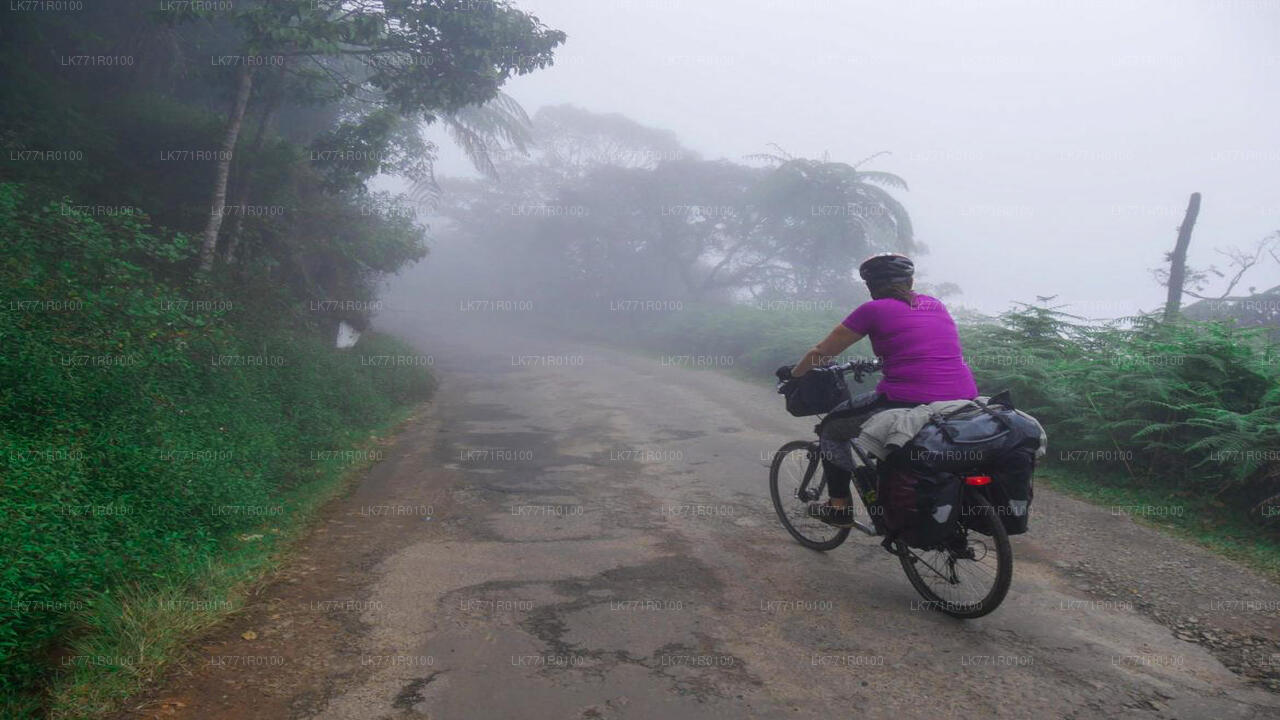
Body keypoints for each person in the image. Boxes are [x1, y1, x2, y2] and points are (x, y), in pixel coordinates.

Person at [788, 253, 978, 528]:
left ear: (870, 287)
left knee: (831, 429)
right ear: (911, 281)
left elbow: (821, 353)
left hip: (906, 399)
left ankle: (838, 507)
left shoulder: (872, 310)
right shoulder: (935, 305)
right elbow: (922, 346)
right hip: (963, 397)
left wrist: (795, 375)